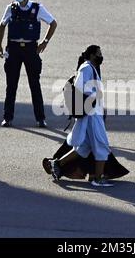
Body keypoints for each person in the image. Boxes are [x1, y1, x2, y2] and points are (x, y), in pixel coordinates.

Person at [43, 45, 115, 187]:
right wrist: (93, 98)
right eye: (99, 53)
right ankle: (97, 179)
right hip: (91, 115)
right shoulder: (86, 67)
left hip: (94, 113)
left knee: (84, 147)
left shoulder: (92, 68)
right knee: (102, 146)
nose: (101, 56)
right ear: (92, 55)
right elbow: (79, 86)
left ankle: (56, 164)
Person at [0, 0, 57, 128]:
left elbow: (53, 23)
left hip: (31, 49)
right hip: (14, 48)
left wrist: (45, 42)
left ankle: (40, 118)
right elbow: (2, 25)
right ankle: (7, 117)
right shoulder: (11, 8)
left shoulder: (37, 8)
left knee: (34, 84)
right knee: (11, 85)